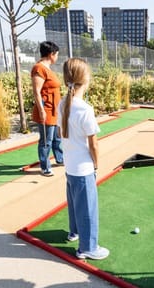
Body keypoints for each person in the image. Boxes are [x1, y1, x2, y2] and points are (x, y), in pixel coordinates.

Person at [57, 57, 109, 260]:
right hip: (84, 168)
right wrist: (96, 164)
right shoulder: (85, 109)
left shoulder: (63, 103)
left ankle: (74, 232)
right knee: (87, 208)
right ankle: (87, 247)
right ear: (85, 80)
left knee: (74, 201)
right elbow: (94, 144)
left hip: (70, 166)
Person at [31, 41, 64, 177]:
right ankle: (45, 166)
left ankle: (59, 158)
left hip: (55, 110)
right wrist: (42, 111)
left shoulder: (47, 68)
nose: (57, 57)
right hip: (47, 110)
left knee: (56, 138)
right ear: (51, 54)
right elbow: (37, 91)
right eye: (56, 54)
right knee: (46, 140)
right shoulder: (39, 69)